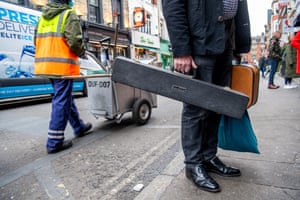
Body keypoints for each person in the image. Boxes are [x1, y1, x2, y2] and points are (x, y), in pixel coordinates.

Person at [162, 0, 251, 193]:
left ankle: (209, 157)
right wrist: (182, 49)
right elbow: (173, 5)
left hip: (225, 40)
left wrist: (240, 44)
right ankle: (193, 164)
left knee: (217, 105)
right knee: (196, 108)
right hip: (199, 41)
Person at [34, 0, 92, 154]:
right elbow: (74, 41)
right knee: (61, 99)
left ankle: (78, 126)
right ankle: (54, 141)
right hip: (62, 65)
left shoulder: (43, 17)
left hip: (46, 65)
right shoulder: (68, 14)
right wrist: (82, 52)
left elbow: (35, 40)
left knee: (64, 96)